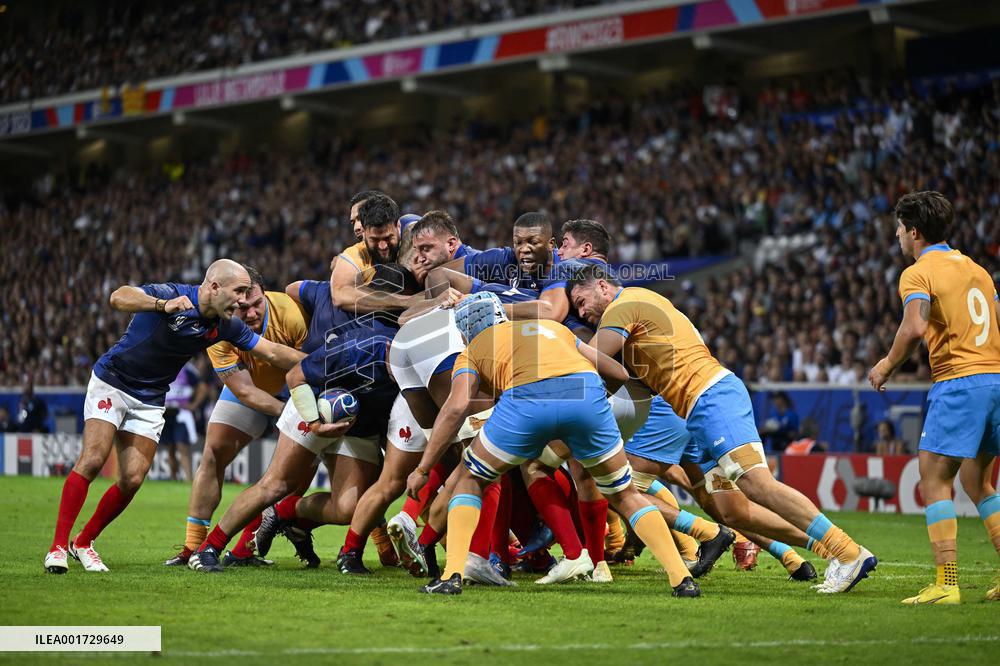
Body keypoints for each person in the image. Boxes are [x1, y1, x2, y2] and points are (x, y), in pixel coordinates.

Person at [569, 264, 877, 594]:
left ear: (602, 285)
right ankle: (831, 551)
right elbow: (624, 381)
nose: (583, 311)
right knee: (732, 510)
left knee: (757, 484)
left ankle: (848, 551)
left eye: (582, 300)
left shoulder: (623, 306)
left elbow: (594, 357)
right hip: (694, 412)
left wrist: (564, 341)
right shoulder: (638, 312)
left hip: (711, 396)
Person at [406, 292, 701, 597]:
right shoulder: (554, 328)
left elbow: (455, 408)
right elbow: (619, 373)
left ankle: (452, 575)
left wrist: (424, 468)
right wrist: (593, 402)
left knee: (471, 478)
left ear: (464, 330)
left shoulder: (473, 350)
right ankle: (682, 580)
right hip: (587, 396)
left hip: (526, 401)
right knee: (625, 494)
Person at [43, 260, 305, 574]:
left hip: (151, 398)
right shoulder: (173, 295)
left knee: (132, 479)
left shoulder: (227, 325)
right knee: (93, 459)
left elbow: (273, 352)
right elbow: (118, 297)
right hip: (113, 380)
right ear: (214, 287)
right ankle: (57, 547)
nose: (241, 301)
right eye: (237, 292)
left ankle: (83, 542)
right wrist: (161, 305)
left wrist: (318, 362)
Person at [868, 190, 1000, 604]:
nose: (897, 236)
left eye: (900, 229)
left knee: (934, 479)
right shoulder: (978, 270)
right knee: (976, 480)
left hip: (959, 381)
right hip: (995, 377)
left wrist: (885, 366)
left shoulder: (919, 272)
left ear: (915, 232)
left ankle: (946, 583)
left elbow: (913, 328)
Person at [163, 266, 311, 568]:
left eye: (258, 304)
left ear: (264, 295)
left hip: (298, 389)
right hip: (251, 388)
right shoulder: (219, 328)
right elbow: (243, 391)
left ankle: (244, 549)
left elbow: (308, 369)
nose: (253, 313)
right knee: (214, 453)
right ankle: (193, 545)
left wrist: (296, 410)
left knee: (293, 475)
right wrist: (284, 413)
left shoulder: (291, 314)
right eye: (243, 308)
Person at [161, 361, 201, 481]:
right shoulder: (162, 365)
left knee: (181, 445)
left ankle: (188, 479)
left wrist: (194, 404)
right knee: (170, 448)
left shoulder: (187, 369)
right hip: (165, 413)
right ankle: (174, 479)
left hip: (181, 413)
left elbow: (202, 386)